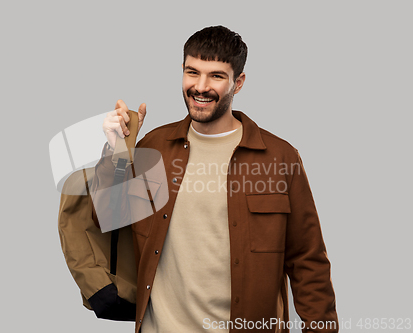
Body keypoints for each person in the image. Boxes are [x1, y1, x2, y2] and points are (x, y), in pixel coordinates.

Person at [95, 25, 338, 333]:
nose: (201, 86)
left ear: (238, 83)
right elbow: (110, 216)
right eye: (192, 72)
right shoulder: (154, 147)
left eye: (216, 76)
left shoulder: (280, 158)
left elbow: (308, 260)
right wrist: (117, 150)